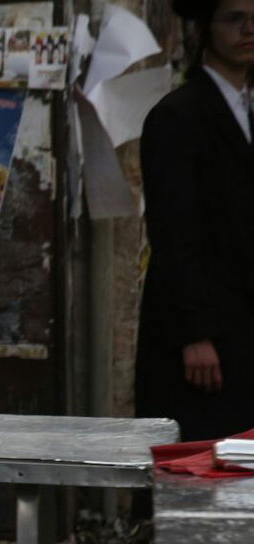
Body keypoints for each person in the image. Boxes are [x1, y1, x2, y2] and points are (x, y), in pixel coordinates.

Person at [135, 0, 254, 443]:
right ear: (207, 28)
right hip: (204, 333)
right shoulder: (178, 116)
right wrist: (195, 334)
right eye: (234, 19)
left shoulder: (247, 108)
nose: (248, 30)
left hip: (244, 321)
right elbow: (174, 234)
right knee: (203, 461)